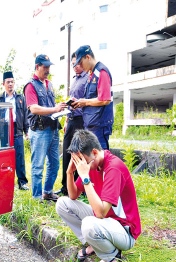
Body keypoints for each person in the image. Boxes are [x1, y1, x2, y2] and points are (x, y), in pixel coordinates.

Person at [56, 130, 141, 262]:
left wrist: (85, 177)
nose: (82, 165)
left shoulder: (113, 167)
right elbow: (73, 195)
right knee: (62, 204)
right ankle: (95, 244)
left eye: (83, 160)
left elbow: (101, 213)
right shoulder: (92, 164)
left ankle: (111, 255)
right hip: (105, 222)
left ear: (94, 152)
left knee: (89, 224)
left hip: (124, 231)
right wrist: (69, 173)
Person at [23, 54, 67, 201]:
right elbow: (34, 108)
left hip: (53, 128)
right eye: (45, 67)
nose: (48, 70)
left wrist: (60, 108)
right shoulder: (30, 86)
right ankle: (36, 197)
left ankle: (47, 191)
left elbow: (49, 106)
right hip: (40, 130)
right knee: (38, 166)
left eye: (49, 67)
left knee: (54, 163)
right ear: (37, 67)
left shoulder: (49, 84)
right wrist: (55, 109)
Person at [0, 71, 30, 190]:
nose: (10, 84)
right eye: (8, 82)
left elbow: (25, 115)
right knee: (5, 158)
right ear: (3, 84)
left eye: (12, 82)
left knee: (19, 157)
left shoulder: (20, 98)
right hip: (4, 131)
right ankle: (6, 181)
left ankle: (22, 182)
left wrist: (26, 131)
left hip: (17, 130)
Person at [71, 45, 113, 150]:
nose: (80, 66)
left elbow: (105, 99)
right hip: (90, 125)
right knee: (92, 161)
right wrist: (80, 102)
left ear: (88, 57)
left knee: (100, 159)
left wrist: (85, 102)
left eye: (81, 63)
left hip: (99, 126)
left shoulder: (101, 72)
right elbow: (91, 98)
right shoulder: (91, 74)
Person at [57, 52, 88, 196]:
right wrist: (66, 120)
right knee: (67, 153)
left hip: (82, 121)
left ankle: (78, 188)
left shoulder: (88, 78)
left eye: (77, 63)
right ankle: (65, 187)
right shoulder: (75, 80)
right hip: (71, 119)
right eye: (73, 64)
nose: (75, 66)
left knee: (79, 154)